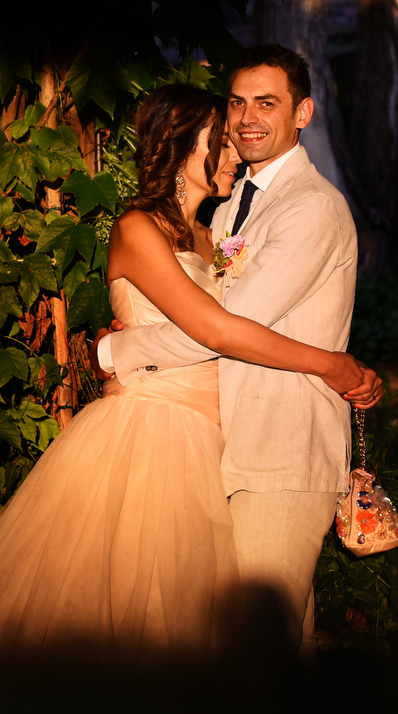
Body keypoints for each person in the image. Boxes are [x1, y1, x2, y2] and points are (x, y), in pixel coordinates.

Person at [0, 81, 379, 679]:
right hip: (153, 435)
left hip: (214, 439)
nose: (235, 152)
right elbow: (215, 329)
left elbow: (230, 327)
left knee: (210, 632)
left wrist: (119, 345)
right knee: (131, 621)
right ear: (186, 144)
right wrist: (330, 363)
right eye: (221, 140)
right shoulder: (138, 228)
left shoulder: (209, 237)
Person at [94, 45, 378, 650]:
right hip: (218, 445)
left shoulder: (310, 208)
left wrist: (121, 351)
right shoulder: (225, 216)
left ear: (302, 113)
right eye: (238, 104)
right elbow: (211, 317)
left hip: (280, 448)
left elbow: (224, 326)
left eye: (267, 103)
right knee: (270, 648)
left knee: (257, 651)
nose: (246, 119)